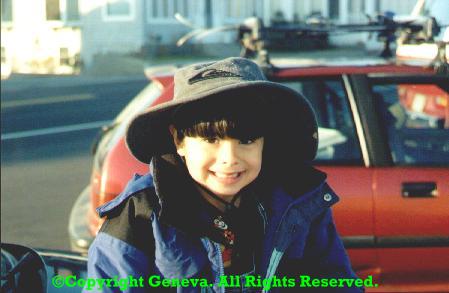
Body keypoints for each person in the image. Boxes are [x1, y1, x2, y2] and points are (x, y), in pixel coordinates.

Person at [86, 57, 362, 292]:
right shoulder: (141, 213)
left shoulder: (299, 203)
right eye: (211, 140)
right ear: (179, 140)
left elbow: (335, 283)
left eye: (247, 140)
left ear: (266, 141)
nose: (230, 159)